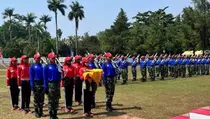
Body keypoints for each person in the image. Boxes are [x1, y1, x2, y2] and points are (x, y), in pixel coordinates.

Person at [43, 52, 62, 119]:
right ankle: (51, 115)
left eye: (55, 58)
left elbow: (60, 76)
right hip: (50, 84)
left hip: (57, 84)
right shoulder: (46, 67)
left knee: (56, 101)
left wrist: (62, 72)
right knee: (51, 101)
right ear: (49, 58)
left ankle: (55, 114)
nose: (54, 59)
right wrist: (45, 87)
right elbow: (45, 78)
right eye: (53, 58)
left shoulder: (57, 66)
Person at [30, 53, 46, 118]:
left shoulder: (42, 66)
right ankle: (36, 112)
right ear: (34, 59)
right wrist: (32, 85)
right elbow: (31, 77)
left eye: (39, 58)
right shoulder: (32, 67)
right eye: (37, 58)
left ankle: (41, 111)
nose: (39, 59)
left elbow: (44, 77)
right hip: (36, 83)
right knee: (36, 99)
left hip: (42, 83)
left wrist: (45, 85)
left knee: (42, 99)